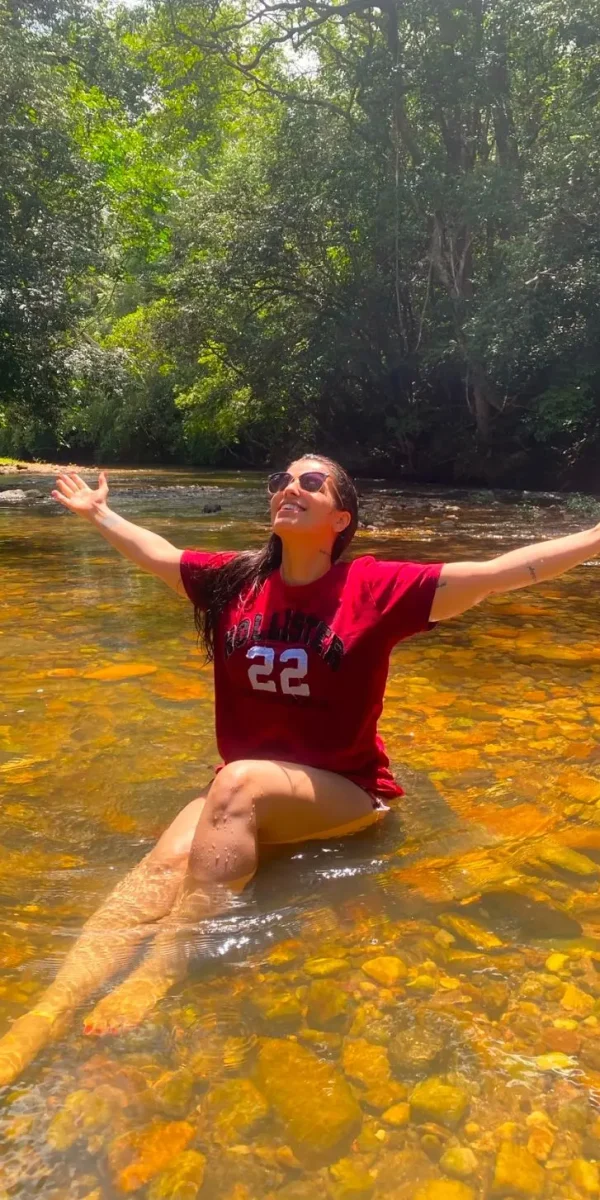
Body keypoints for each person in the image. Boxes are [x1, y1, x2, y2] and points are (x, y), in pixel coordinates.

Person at [0, 454, 598, 1086]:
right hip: (249, 798)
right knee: (163, 864)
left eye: (310, 482)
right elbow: (158, 555)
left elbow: (502, 572)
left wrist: (593, 537)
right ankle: (46, 1013)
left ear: (340, 518)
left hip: (349, 797)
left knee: (234, 782)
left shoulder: (376, 590)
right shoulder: (234, 581)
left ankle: (161, 970)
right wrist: (99, 514)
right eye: (281, 481)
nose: (289, 487)